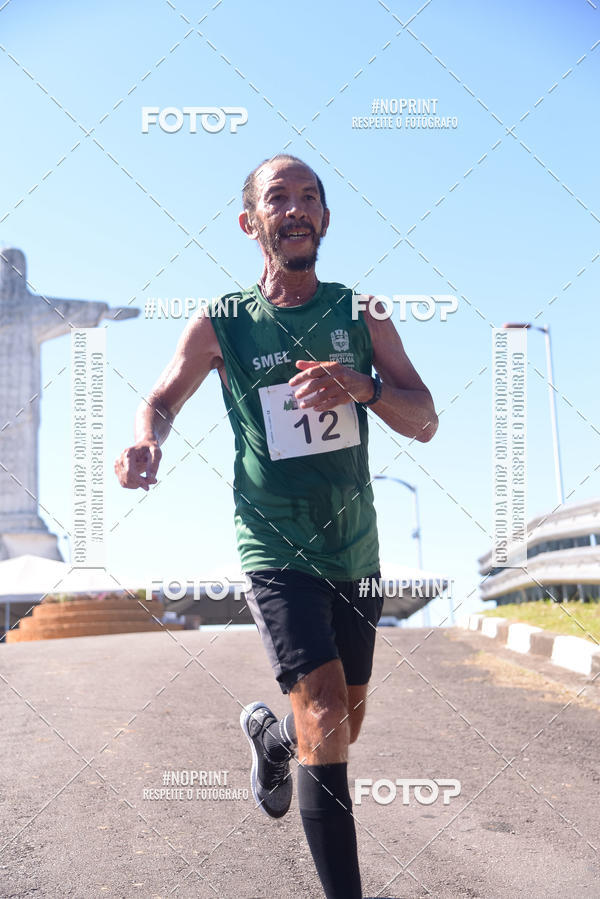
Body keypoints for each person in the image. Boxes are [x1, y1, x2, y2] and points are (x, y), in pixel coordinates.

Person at [115, 154, 438, 898]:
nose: (295, 208)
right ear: (250, 223)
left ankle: (274, 738)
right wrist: (147, 437)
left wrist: (363, 385)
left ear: (324, 219)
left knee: (339, 724)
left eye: (309, 197)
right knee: (324, 706)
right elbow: (160, 399)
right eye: (278, 197)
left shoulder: (363, 314)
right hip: (273, 542)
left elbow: (423, 420)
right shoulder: (222, 322)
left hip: (354, 547)